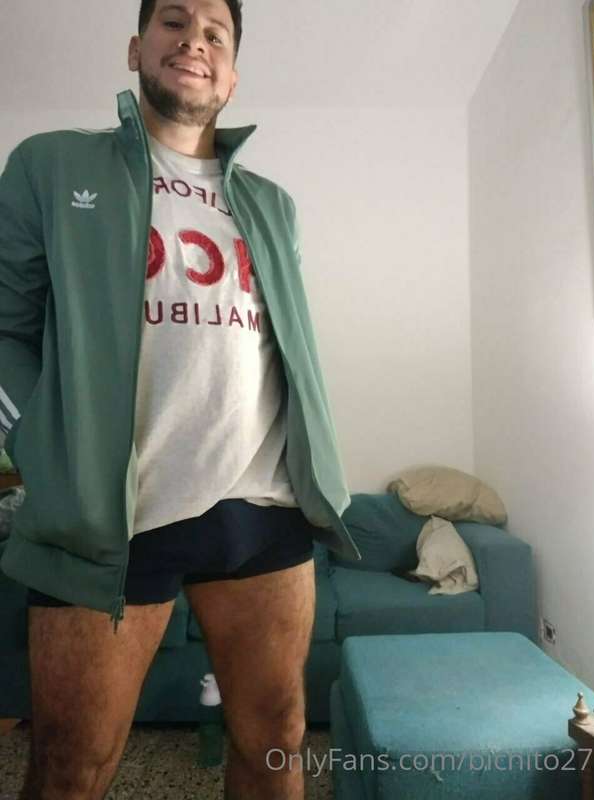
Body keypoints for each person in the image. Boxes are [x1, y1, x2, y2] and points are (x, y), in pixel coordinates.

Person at [0, 0, 361, 797]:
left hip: (262, 506)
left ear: (230, 78)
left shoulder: (272, 204)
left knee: (279, 739)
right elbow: (5, 327)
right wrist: (39, 443)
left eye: (215, 33)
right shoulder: (50, 166)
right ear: (136, 49)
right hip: (110, 517)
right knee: (71, 766)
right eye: (173, 22)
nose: (194, 39)